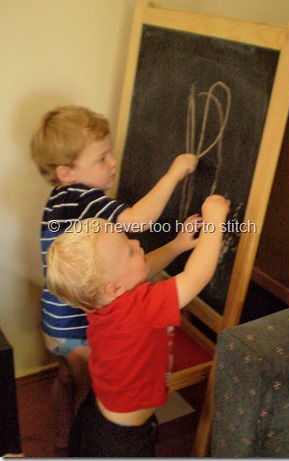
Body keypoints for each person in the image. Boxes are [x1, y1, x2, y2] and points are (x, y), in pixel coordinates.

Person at [30, 105, 198, 448]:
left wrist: (177, 244)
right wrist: (174, 173)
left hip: (55, 324)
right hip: (77, 328)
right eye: (102, 158)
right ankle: (83, 443)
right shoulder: (84, 196)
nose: (113, 163)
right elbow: (137, 221)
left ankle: (64, 436)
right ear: (66, 172)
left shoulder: (59, 201)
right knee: (92, 396)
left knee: (66, 378)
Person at [46, 194, 230, 457]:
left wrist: (177, 245)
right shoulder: (139, 308)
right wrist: (215, 219)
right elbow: (196, 276)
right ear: (115, 287)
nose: (136, 242)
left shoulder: (102, 300)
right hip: (123, 440)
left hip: (97, 415)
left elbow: (141, 269)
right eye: (130, 250)